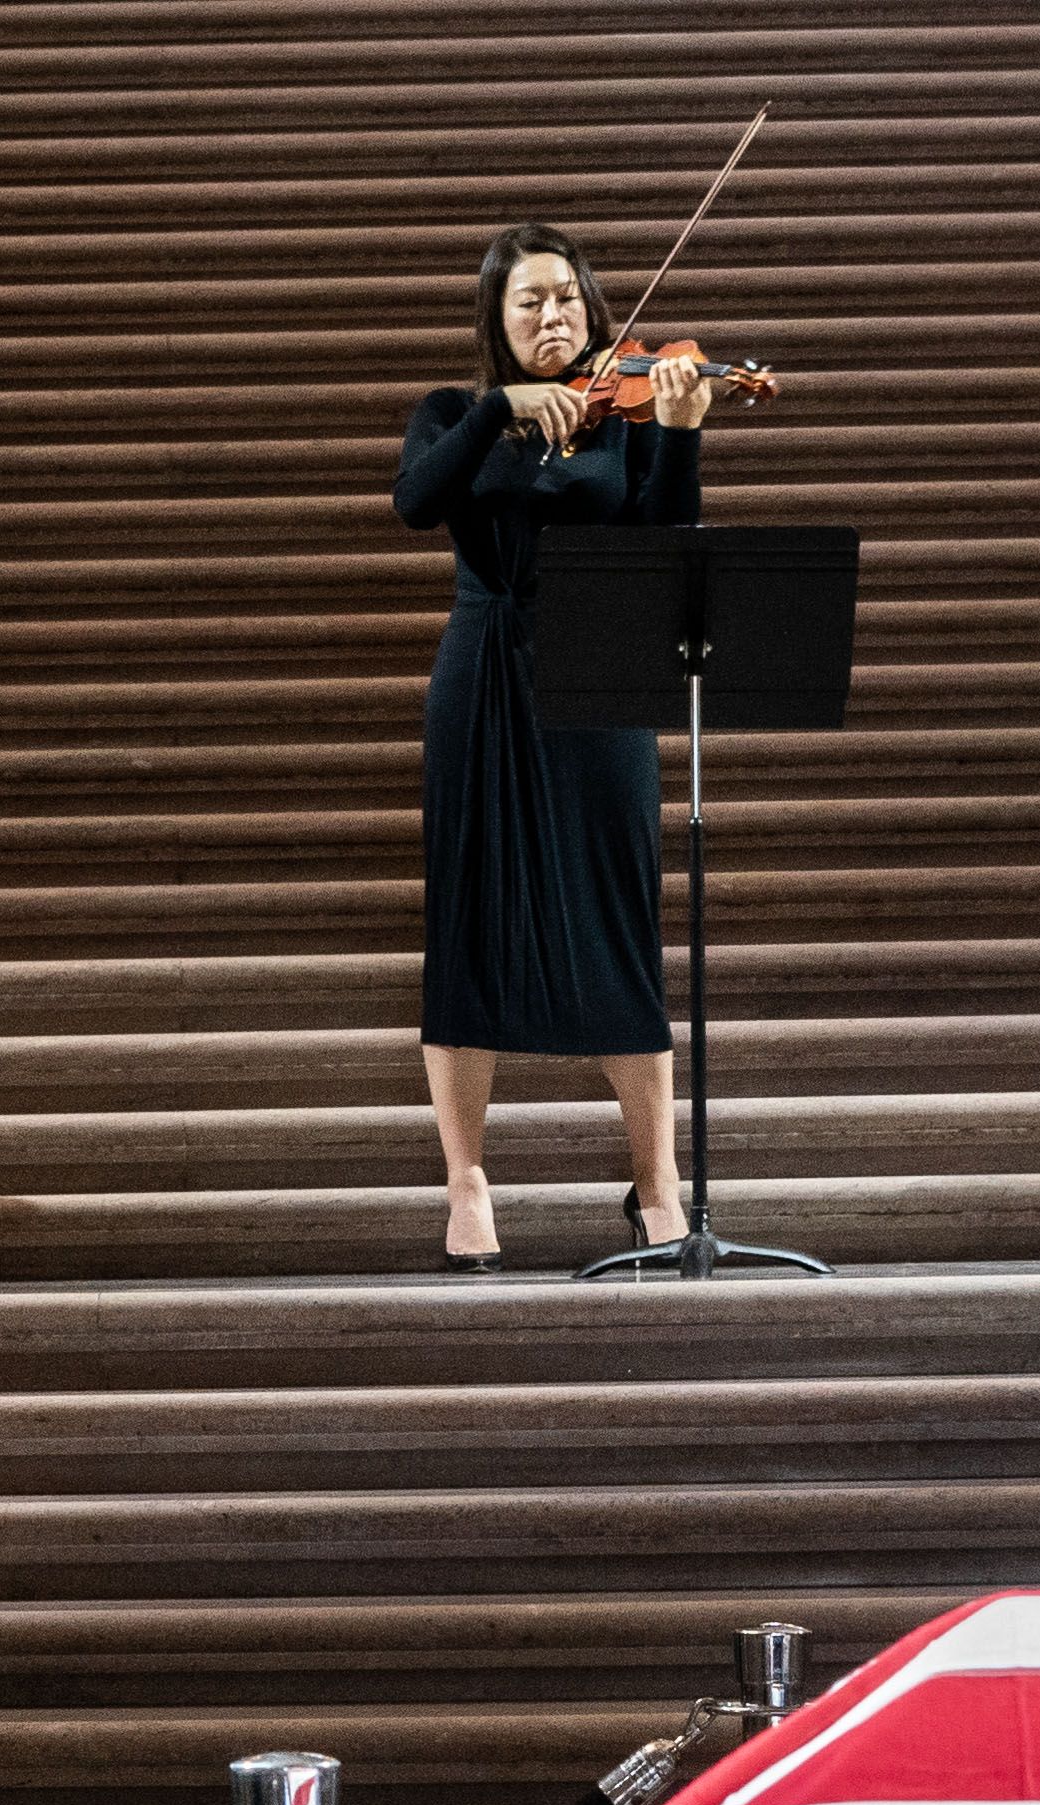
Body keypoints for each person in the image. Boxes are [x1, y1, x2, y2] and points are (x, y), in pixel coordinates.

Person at [399, 218, 715, 1273]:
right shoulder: (455, 414)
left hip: (598, 676)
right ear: (495, 318)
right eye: (530, 301)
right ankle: (468, 1182)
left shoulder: (621, 415)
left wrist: (677, 431)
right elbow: (414, 502)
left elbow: (665, 542)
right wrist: (499, 409)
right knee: (469, 921)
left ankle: (658, 1185)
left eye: (568, 299)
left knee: (619, 922)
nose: (553, 316)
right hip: (482, 674)